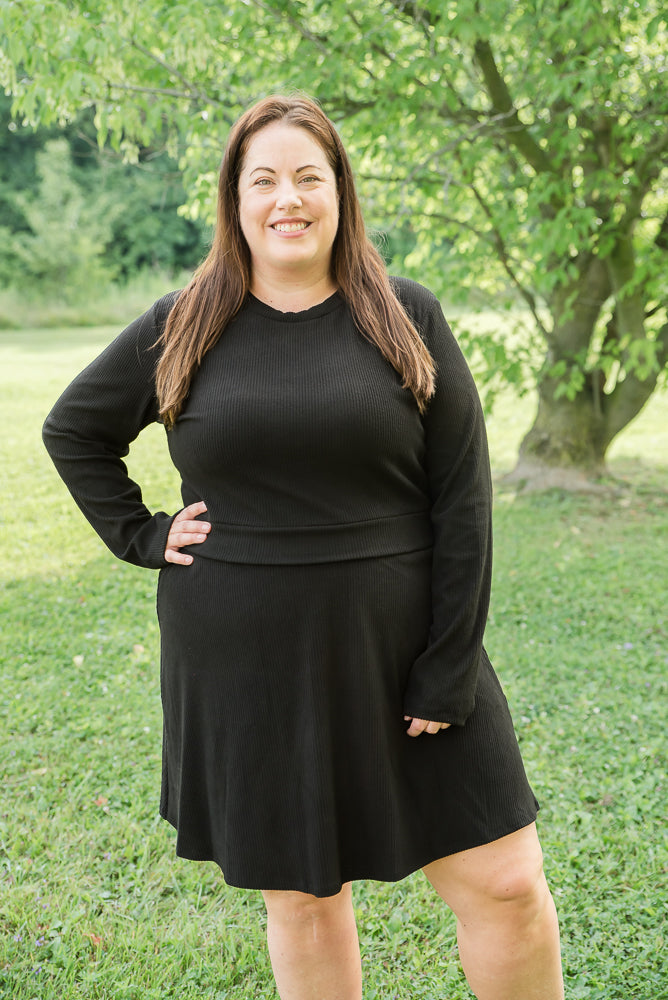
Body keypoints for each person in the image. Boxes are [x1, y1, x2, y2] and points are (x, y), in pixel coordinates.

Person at [43, 94, 565, 999]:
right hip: (249, 660)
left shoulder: (406, 316)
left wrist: (447, 666)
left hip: (405, 648)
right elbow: (74, 432)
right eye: (264, 180)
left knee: (507, 882)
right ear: (235, 200)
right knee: (305, 900)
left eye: (308, 177)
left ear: (339, 192)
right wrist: (142, 533)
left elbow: (463, 502)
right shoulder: (185, 321)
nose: (288, 198)